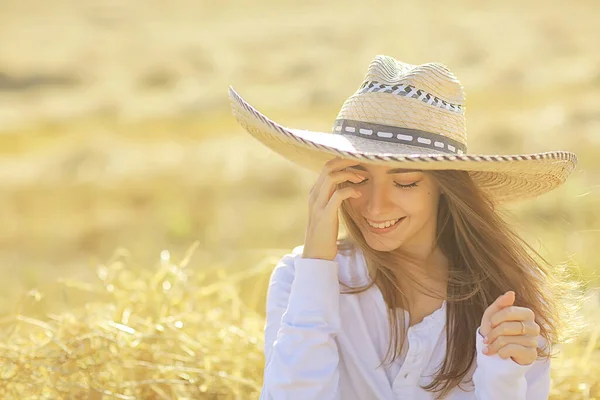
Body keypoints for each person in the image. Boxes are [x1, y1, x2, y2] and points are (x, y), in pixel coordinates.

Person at [228, 55, 578, 399]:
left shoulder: (512, 292)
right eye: (357, 178)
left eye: (406, 182)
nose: (376, 206)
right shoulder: (298, 279)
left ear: (445, 187)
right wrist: (318, 260)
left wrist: (503, 376)